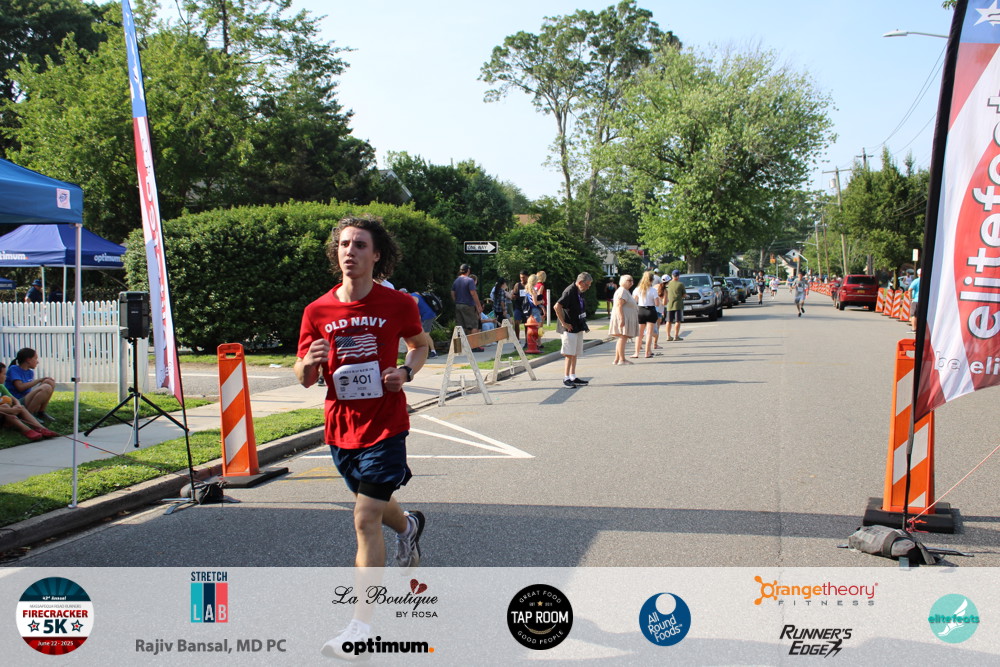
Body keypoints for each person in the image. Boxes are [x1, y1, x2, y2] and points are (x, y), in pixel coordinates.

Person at [294, 215, 431, 659]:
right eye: (344, 244)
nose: (349, 251)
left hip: (386, 426)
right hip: (341, 427)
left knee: (364, 518)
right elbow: (303, 376)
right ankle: (408, 526)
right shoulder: (317, 311)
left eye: (359, 245)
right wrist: (308, 362)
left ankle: (360, 627)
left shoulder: (398, 303)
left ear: (376, 255)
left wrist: (405, 371)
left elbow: (421, 344)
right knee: (369, 504)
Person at [553, 272, 593, 387]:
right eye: (587, 285)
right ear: (580, 282)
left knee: (575, 353)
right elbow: (557, 306)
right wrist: (564, 323)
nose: (588, 287)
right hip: (569, 327)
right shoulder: (569, 291)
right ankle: (566, 378)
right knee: (569, 353)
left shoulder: (579, 291)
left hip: (577, 325)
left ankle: (573, 376)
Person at [0, 363, 58, 440]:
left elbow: (13, 398)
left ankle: (41, 428)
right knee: (6, 406)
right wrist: (11, 410)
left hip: (6, 414)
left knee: (21, 407)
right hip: (4, 413)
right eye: (4, 374)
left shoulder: (1, 386)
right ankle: (26, 430)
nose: (6, 376)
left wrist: (17, 405)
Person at [6, 348, 56, 422]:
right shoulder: (14, 369)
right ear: (28, 360)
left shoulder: (30, 372)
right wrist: (39, 380)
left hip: (26, 399)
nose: (37, 362)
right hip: (16, 402)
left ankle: (41, 412)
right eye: (35, 358)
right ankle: (29, 415)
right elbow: (20, 387)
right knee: (46, 387)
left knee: (49, 382)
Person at [451, 264, 484, 351]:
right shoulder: (470, 280)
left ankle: (460, 347)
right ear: (468, 270)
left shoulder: (456, 280)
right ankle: (474, 346)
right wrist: (479, 305)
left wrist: (456, 301)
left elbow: (452, 293)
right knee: (473, 325)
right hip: (468, 305)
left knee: (461, 327)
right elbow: (473, 293)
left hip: (458, 305)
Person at [608, 274, 639, 365]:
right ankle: (622, 359)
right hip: (623, 317)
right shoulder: (622, 291)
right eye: (629, 280)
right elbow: (619, 305)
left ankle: (617, 359)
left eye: (632, 280)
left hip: (625, 317)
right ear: (623, 282)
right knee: (623, 337)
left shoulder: (625, 291)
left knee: (622, 338)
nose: (631, 282)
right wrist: (621, 319)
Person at [632, 271, 658, 359]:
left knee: (639, 334)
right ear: (651, 280)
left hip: (641, 310)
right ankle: (647, 352)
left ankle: (636, 353)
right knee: (649, 333)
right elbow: (657, 303)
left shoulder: (637, 289)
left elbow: (634, 301)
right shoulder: (653, 290)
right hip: (650, 310)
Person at [407, 289, 439, 358]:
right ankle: (428, 351)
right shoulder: (415, 293)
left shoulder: (413, 298)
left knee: (425, 334)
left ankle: (433, 352)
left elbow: (414, 311)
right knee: (423, 334)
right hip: (428, 314)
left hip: (428, 315)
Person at [665, 269, 686, 341]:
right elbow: (684, 295)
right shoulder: (680, 284)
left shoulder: (668, 284)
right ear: (678, 276)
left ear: (672, 276)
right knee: (677, 321)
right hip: (678, 305)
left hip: (669, 304)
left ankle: (668, 336)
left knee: (668, 321)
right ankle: (676, 336)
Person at [510, 270, 529, 343]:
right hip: (518, 307)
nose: (522, 279)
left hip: (527, 308)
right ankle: (517, 339)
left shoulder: (529, 285)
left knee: (527, 324)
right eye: (521, 277)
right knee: (516, 322)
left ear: (527, 277)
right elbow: (513, 295)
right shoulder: (517, 285)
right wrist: (513, 296)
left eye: (523, 277)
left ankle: (527, 340)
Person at [908, 268, 922, 333]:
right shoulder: (929, 280)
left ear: (918, 274)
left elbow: (910, 289)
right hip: (925, 300)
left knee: (914, 315)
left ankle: (914, 329)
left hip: (916, 300)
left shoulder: (916, 281)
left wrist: (910, 298)